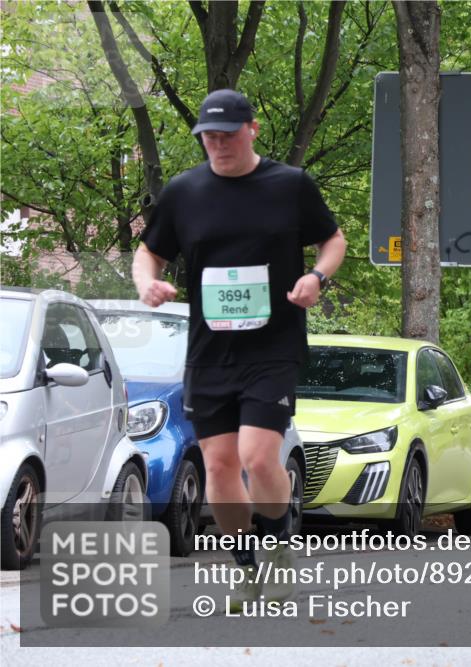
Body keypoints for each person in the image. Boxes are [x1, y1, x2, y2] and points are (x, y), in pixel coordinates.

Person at [132, 89, 346, 606]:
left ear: (251, 129)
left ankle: (278, 550)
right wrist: (147, 285)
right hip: (210, 353)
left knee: (256, 454)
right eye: (209, 136)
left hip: (273, 346)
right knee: (221, 466)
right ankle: (246, 566)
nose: (218, 145)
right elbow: (149, 253)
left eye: (227, 135)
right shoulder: (184, 192)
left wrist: (316, 276)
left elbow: (333, 239)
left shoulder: (289, 185)